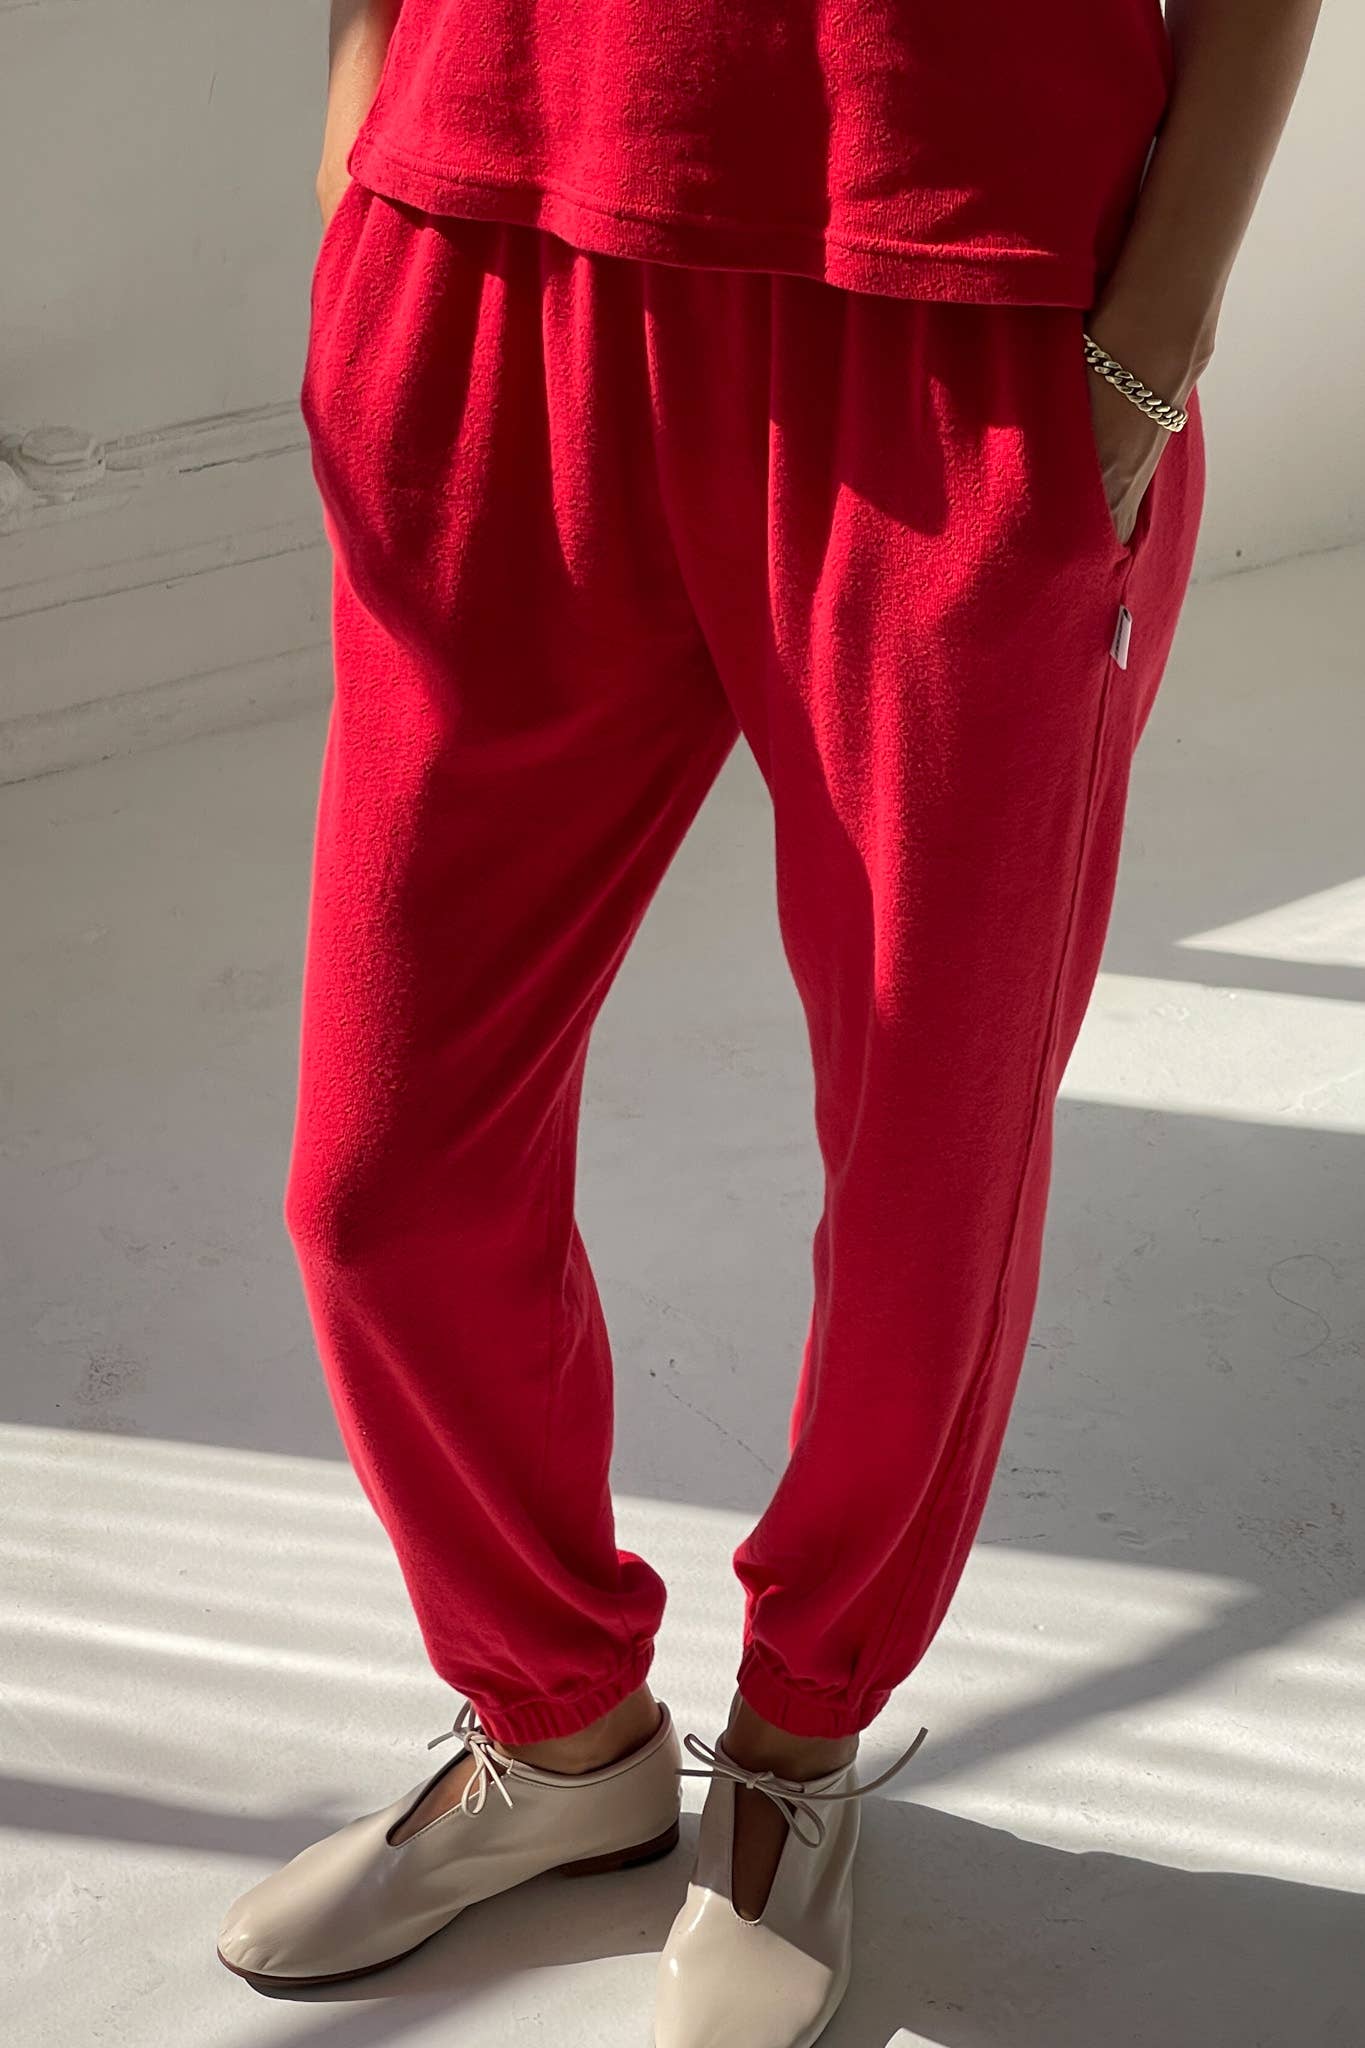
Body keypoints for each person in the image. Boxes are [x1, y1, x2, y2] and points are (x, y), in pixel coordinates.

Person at [218, 1, 1322, 2038]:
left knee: (925, 1170)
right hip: (492, 251)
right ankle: (559, 1736)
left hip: (957, 297)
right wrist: (363, 132)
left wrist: (1146, 338)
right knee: (375, 1186)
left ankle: (800, 1742)